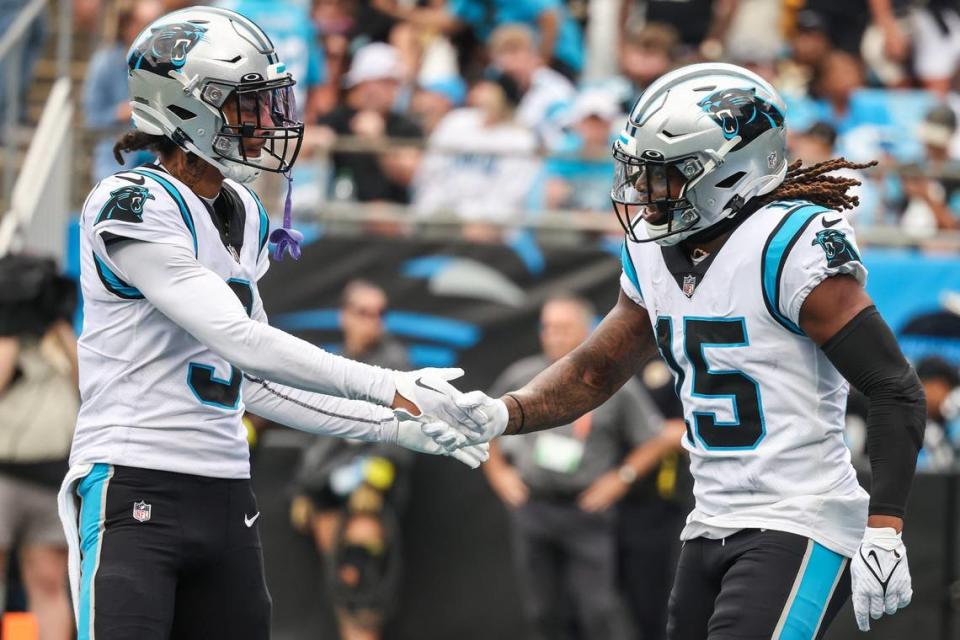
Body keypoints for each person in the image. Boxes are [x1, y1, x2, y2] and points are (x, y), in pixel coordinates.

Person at [426, 63, 926, 638]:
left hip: (799, 520)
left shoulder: (789, 248)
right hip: (710, 519)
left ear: (731, 173)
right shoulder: (653, 254)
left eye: (664, 176)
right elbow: (595, 371)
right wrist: (503, 413)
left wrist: (885, 526)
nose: (644, 193)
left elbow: (893, 386)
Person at [58, 7, 486, 640]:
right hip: (133, 480)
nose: (267, 122)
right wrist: (390, 385)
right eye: (246, 103)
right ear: (185, 107)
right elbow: (241, 341)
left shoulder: (242, 211)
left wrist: (393, 426)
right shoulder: (132, 202)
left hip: (227, 491)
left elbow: (252, 385)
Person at [483, 295, 680, 640]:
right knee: (543, 610)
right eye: (547, 327)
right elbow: (483, 425)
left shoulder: (610, 382)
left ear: (588, 331)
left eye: (563, 327)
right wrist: (499, 473)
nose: (553, 336)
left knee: (598, 609)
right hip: (535, 506)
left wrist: (622, 477)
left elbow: (655, 438)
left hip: (586, 512)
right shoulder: (522, 374)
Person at [291, 281, 414, 640]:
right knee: (342, 585)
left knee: (360, 576)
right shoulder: (332, 364)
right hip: (327, 495)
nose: (373, 321)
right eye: (363, 312)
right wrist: (303, 490)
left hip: (370, 500)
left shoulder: (395, 364)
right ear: (344, 316)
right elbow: (313, 432)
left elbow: (405, 428)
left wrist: (374, 482)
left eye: (380, 313)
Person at [0, 255, 77, 640]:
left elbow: (89, 385)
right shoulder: (6, 336)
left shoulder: (58, 338)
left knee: (48, 582)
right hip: (5, 475)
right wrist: (9, 321)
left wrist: (56, 320)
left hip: (51, 477)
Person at [316, 42, 423, 204]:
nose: (391, 90)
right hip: (341, 215)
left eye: (393, 83)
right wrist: (318, 140)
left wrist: (378, 142)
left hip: (395, 218)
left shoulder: (406, 125)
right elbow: (298, 149)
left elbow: (411, 175)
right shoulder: (336, 120)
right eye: (383, 82)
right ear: (360, 85)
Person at [83, 0, 164, 182]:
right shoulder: (104, 63)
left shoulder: (166, 64)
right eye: (144, 24)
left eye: (155, 26)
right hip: (117, 160)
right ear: (126, 25)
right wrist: (119, 112)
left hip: (160, 158)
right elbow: (91, 120)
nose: (151, 33)